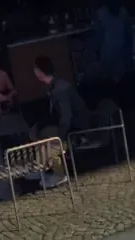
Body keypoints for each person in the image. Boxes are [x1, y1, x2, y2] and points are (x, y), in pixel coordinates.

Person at [30, 55, 93, 187]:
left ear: (39, 73)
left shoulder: (59, 89)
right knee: (37, 132)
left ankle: (59, 174)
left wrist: (59, 136)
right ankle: (40, 165)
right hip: (73, 125)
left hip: (78, 130)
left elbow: (67, 116)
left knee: (50, 142)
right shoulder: (56, 85)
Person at [93, 0, 133, 86]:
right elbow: (128, 31)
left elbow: (98, 36)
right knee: (118, 79)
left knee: (108, 79)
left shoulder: (100, 13)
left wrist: (97, 51)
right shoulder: (122, 10)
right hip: (119, 50)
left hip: (108, 51)